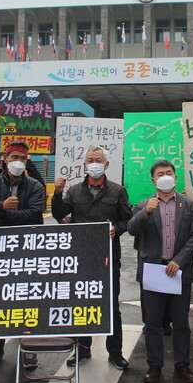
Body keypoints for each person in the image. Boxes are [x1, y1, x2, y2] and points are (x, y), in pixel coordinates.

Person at [51, 145, 132, 370]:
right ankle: (82, 349)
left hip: (108, 257)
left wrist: (116, 228)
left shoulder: (117, 191)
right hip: (80, 256)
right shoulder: (75, 190)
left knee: (110, 304)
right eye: (90, 160)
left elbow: (127, 220)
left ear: (106, 165)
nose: (94, 163)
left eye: (98, 160)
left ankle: (115, 352)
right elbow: (59, 214)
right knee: (81, 303)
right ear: (84, 165)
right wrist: (57, 193)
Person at [128, 160, 193, 383]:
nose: (165, 176)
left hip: (178, 271)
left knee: (181, 323)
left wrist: (179, 261)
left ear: (175, 177)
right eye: (161, 174)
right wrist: (146, 213)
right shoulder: (143, 205)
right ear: (154, 180)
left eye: (169, 173)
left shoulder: (188, 205)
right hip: (153, 270)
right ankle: (154, 365)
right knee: (152, 323)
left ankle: (182, 365)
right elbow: (132, 230)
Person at [0, 140, 45, 369]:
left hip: (27, 248)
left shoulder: (35, 185)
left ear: (27, 161)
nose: (18, 162)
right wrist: (1, 207)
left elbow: (35, 215)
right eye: (13, 157)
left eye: (22, 158)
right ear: (4, 159)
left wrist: (3, 216)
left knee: (27, 299)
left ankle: (28, 349)